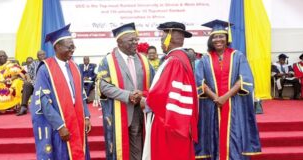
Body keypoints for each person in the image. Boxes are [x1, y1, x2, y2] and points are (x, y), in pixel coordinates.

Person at [195, 19, 261, 160]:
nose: (218, 40)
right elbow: (200, 82)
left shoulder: (237, 56)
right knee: (213, 135)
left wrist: (225, 97)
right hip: (212, 106)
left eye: (221, 36)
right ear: (210, 39)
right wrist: (215, 98)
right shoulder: (204, 59)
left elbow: (244, 79)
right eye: (215, 37)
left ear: (227, 38)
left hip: (234, 105)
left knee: (234, 135)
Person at [30, 24, 91, 159]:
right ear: (57, 47)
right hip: (59, 124)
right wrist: (60, 125)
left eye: (73, 47)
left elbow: (81, 95)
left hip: (77, 120)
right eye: (69, 47)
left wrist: (86, 116)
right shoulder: (45, 69)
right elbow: (43, 101)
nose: (72, 50)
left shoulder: (74, 66)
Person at [141, 22, 198, 160]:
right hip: (179, 121)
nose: (160, 44)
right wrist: (144, 93)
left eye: (162, 39)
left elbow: (164, 94)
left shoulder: (174, 61)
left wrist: (146, 100)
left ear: (170, 39)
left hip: (169, 123)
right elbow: (170, 89)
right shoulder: (180, 58)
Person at [97, 22, 154, 160]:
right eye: (131, 40)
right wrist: (127, 96)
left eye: (136, 39)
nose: (136, 43)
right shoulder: (107, 61)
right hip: (117, 112)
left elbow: (153, 84)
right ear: (120, 42)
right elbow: (104, 86)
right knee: (117, 149)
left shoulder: (143, 60)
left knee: (138, 146)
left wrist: (144, 97)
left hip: (139, 111)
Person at [17, 50, 46, 116]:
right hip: (34, 83)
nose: (42, 56)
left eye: (43, 54)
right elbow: (28, 74)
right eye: (40, 55)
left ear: (45, 55)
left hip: (46, 84)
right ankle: (23, 107)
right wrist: (29, 79)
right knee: (27, 84)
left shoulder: (49, 63)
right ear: (37, 56)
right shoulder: (34, 63)